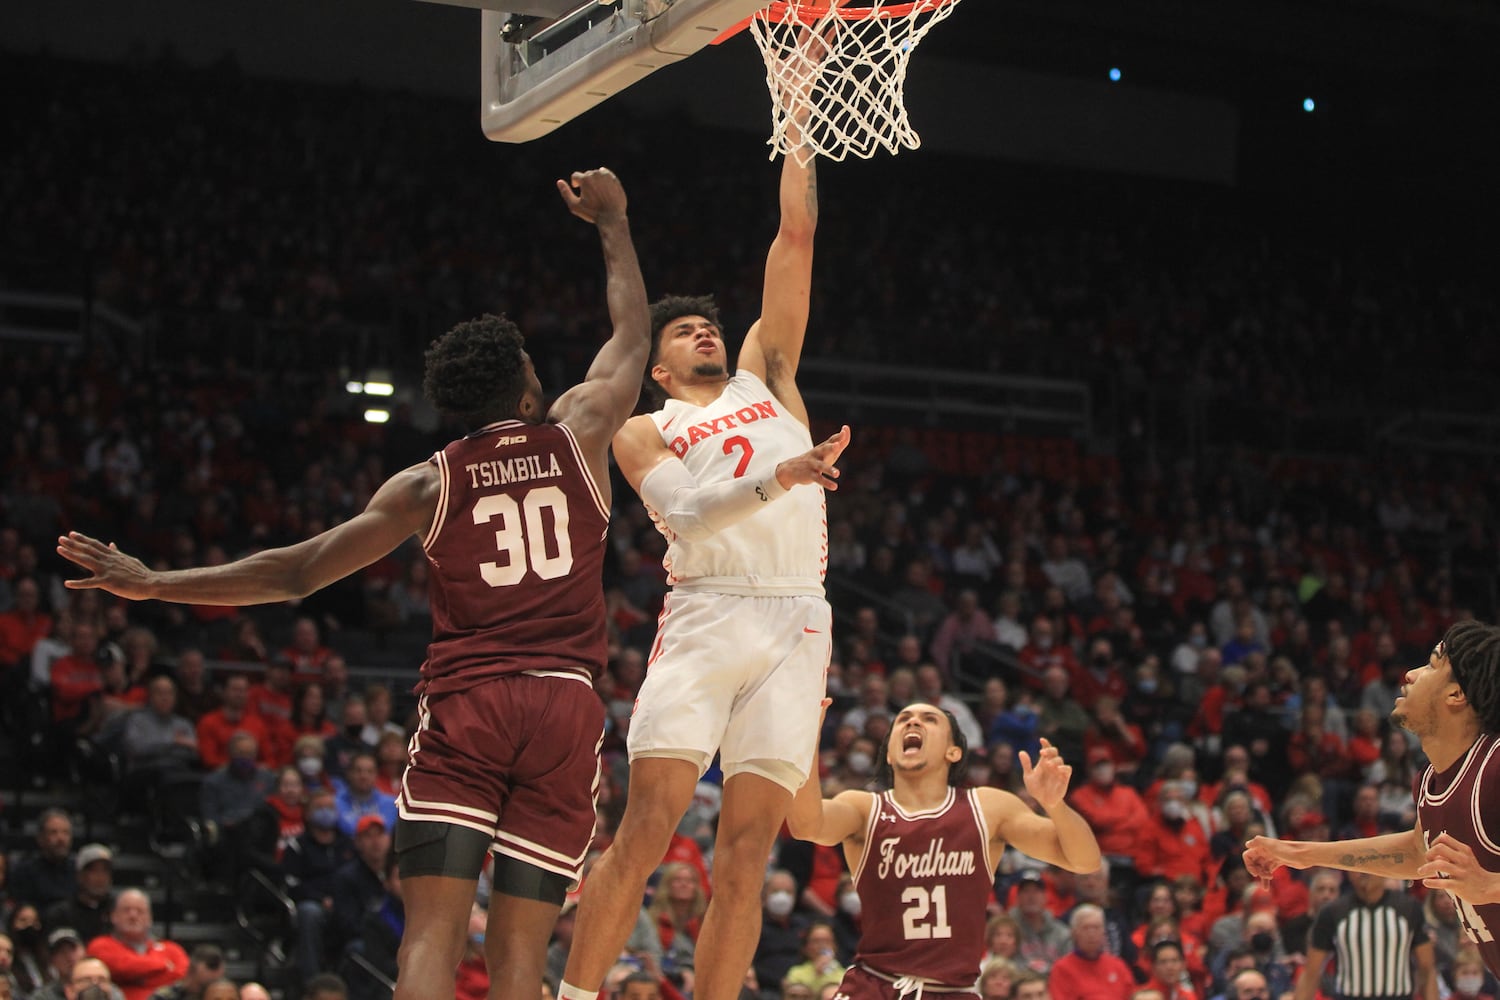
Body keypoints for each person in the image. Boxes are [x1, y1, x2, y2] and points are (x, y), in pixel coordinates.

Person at [57, 167, 652, 1000]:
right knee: (521, 959)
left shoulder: (427, 484)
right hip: (565, 706)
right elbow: (632, 336)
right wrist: (614, 223)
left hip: (471, 704)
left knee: (430, 943)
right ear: (525, 385)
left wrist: (156, 584)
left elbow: (295, 571)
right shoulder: (581, 431)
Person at [559, 109, 854, 1000]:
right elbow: (684, 515)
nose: (703, 334)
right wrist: (785, 476)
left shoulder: (769, 373)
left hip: (799, 613)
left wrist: (798, 117)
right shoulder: (647, 426)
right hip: (711, 609)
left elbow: (795, 233)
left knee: (746, 855)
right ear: (657, 365)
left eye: (707, 326)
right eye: (683, 332)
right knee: (646, 829)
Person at [785, 701, 1101, 1000]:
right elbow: (806, 826)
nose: (912, 721)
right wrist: (807, 741)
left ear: (953, 751)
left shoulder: (987, 808)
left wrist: (1055, 805)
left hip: (953, 990)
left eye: (929, 719)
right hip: (875, 984)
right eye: (903, 720)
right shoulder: (864, 808)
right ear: (891, 756)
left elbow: (1084, 860)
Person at [1244, 621, 1500, 973]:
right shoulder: (1432, 780)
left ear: (1456, 695)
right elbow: (1415, 852)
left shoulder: (1495, 768)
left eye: (1431, 665)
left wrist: (1488, 884)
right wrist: (1297, 853)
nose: (1410, 674)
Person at [1293, 870, 1435, 1000]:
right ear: (1349, 873)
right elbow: (1311, 973)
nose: (1363, 871)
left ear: (1384, 870)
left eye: (1369, 865)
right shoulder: (1333, 912)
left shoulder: (1409, 908)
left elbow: (1427, 969)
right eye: (1358, 865)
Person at [85, 890, 188, 1000]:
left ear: (150, 918)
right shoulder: (100, 945)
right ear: (113, 916)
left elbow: (182, 978)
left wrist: (131, 979)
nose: (133, 915)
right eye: (126, 910)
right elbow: (122, 968)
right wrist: (163, 966)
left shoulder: (173, 949)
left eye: (140, 911)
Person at [1046, 904, 1136, 1000]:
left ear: (1103, 932)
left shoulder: (1118, 966)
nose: (1091, 934)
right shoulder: (1061, 969)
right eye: (1086, 928)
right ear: (1074, 933)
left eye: (1096, 928)